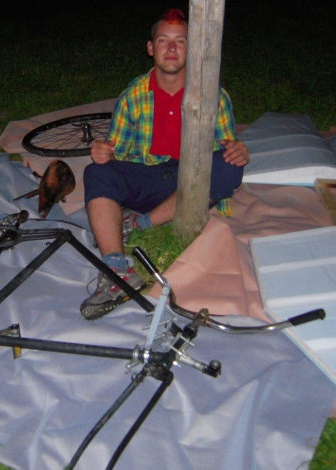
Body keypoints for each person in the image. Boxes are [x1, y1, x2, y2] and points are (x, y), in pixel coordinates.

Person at [80, 8, 250, 320]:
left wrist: (239, 152)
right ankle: (117, 272)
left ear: (192, 49)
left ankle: (140, 224)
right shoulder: (133, 96)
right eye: (163, 40)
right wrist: (104, 152)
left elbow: (228, 146)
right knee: (97, 172)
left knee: (229, 167)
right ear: (151, 48)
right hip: (149, 176)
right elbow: (116, 152)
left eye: (180, 41)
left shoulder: (214, 95)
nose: (171, 48)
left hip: (193, 179)